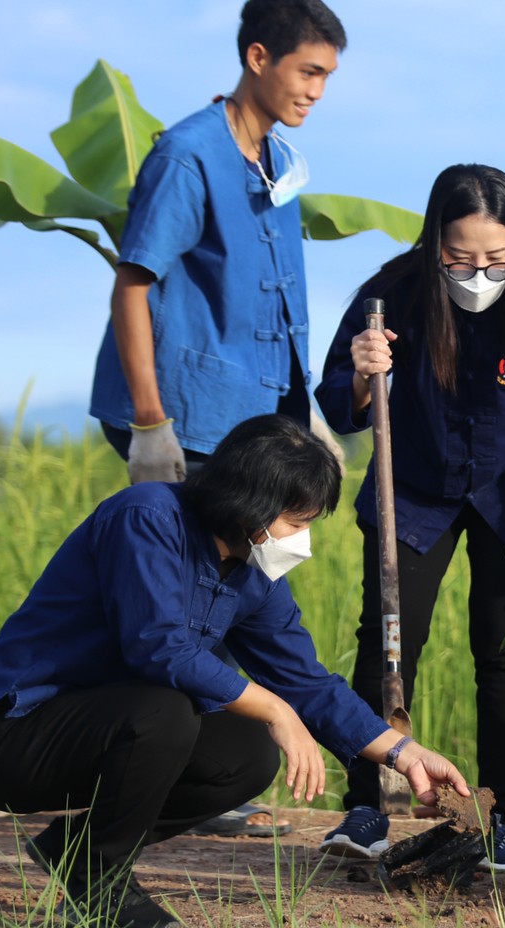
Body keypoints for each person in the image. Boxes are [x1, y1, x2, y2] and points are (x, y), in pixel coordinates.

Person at [0, 416, 471, 928]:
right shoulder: (146, 518)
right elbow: (158, 647)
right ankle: (99, 880)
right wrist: (274, 708)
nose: (303, 540)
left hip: (111, 731)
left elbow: (308, 683)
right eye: (296, 522)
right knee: (166, 711)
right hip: (13, 737)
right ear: (251, 506)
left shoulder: (256, 575)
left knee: (246, 755)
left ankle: (80, 849)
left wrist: (405, 754)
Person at [86, 0, 347, 838]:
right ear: (258, 57)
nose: (317, 91)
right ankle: (178, 767)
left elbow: (280, 302)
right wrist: (149, 421)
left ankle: (213, 764)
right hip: (190, 417)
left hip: (256, 417)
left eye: (328, 77)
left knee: (238, 593)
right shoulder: (188, 153)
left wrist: (306, 416)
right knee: (187, 599)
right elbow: (134, 285)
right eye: (308, 71)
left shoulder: (277, 163)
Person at [314, 164, 505, 872]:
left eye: (495, 260)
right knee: (388, 645)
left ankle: (499, 819)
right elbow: (339, 406)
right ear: (433, 243)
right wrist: (362, 372)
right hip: (412, 492)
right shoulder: (390, 297)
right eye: (459, 259)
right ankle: (367, 807)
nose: (478, 275)